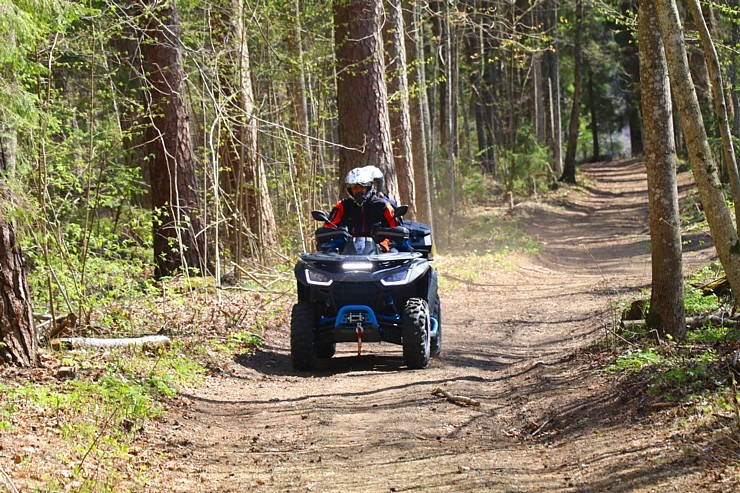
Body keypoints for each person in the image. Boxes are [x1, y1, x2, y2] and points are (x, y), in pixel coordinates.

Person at [325, 167, 400, 252]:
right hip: (348, 249)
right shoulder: (342, 206)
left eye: (362, 187)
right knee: (328, 255)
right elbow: (328, 227)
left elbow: (396, 229)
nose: (358, 190)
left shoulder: (383, 205)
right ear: (350, 189)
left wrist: (384, 245)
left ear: (368, 187)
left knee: (396, 257)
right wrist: (326, 234)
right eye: (355, 187)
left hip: (380, 249)